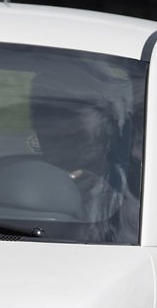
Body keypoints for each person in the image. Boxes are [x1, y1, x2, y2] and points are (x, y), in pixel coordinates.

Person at [28, 64, 140, 243]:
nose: (57, 126)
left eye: (70, 112)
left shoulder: (140, 196)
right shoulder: (16, 185)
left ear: (109, 122)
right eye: (44, 112)